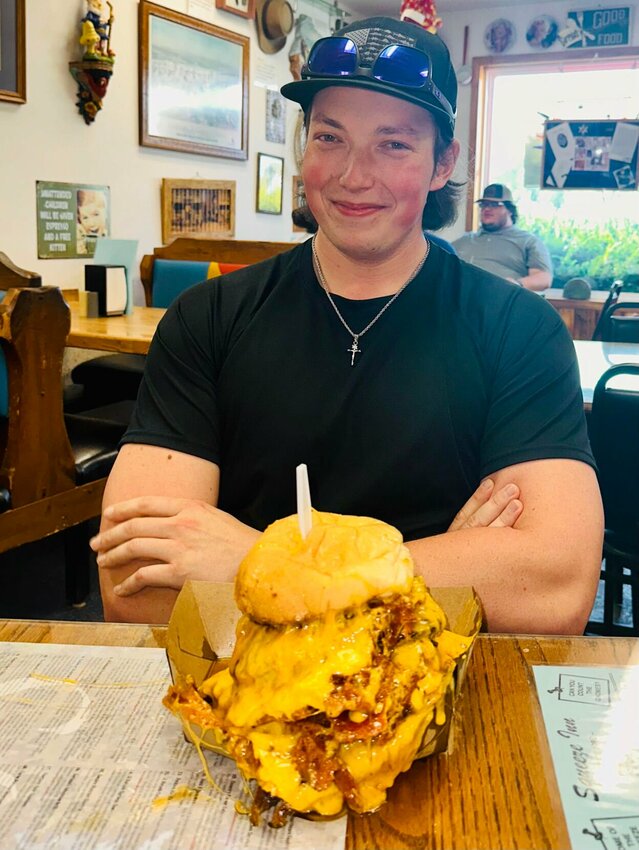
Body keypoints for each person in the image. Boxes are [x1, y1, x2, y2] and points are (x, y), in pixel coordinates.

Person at [93, 16, 602, 635]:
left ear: (443, 163)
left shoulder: (518, 329)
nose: (354, 176)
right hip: (247, 709)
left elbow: (555, 591)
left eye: (393, 144)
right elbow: (135, 584)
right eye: (330, 138)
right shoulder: (209, 317)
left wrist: (258, 564)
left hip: (449, 707)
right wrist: (442, 574)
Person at [452, 184, 553, 291]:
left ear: (510, 210)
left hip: (501, 301)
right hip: (457, 299)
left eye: (495, 204)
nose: (487, 209)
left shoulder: (528, 241)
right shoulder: (464, 241)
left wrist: (516, 284)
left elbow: (544, 279)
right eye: (483, 204)